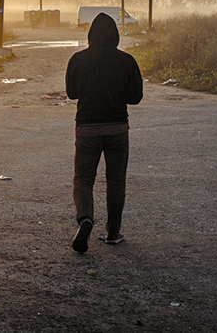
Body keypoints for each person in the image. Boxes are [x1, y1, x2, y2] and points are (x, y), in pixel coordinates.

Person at [65, 13, 143, 253]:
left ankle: (85, 219)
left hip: (87, 128)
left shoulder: (78, 59)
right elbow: (136, 98)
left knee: (83, 178)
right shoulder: (127, 61)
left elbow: (71, 93)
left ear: (90, 35)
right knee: (116, 180)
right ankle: (113, 233)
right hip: (117, 128)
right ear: (116, 35)